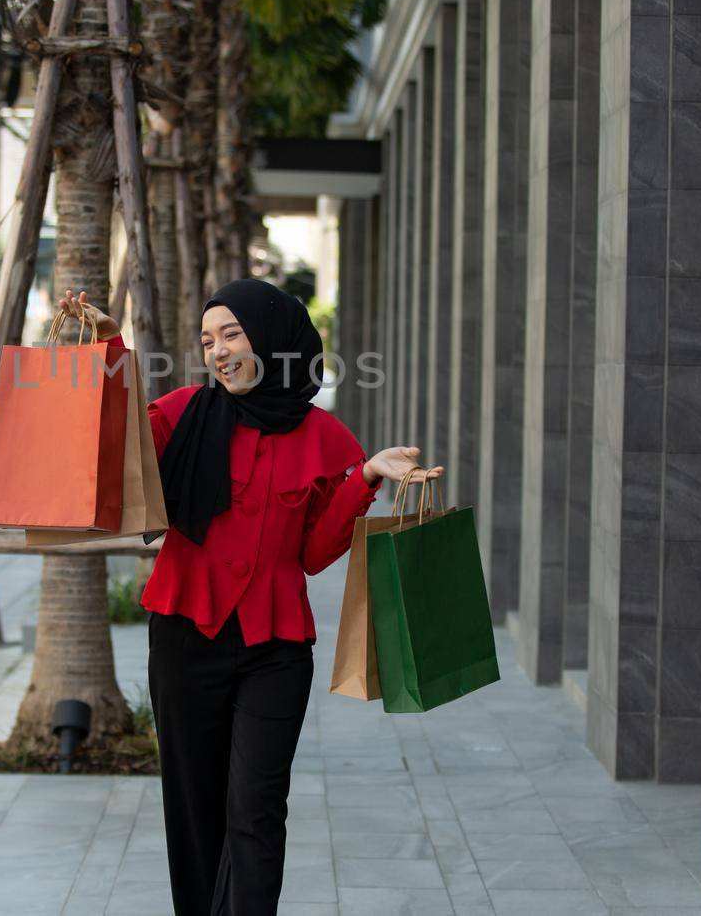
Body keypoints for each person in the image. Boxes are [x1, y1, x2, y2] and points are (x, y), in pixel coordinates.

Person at [57, 278, 442, 916]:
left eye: (232, 334)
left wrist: (367, 476)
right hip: (184, 636)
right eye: (208, 340)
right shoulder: (179, 415)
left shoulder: (326, 440)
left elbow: (315, 554)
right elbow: (112, 443)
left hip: (276, 648)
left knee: (256, 811)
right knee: (194, 807)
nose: (219, 351)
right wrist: (108, 345)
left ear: (272, 338)